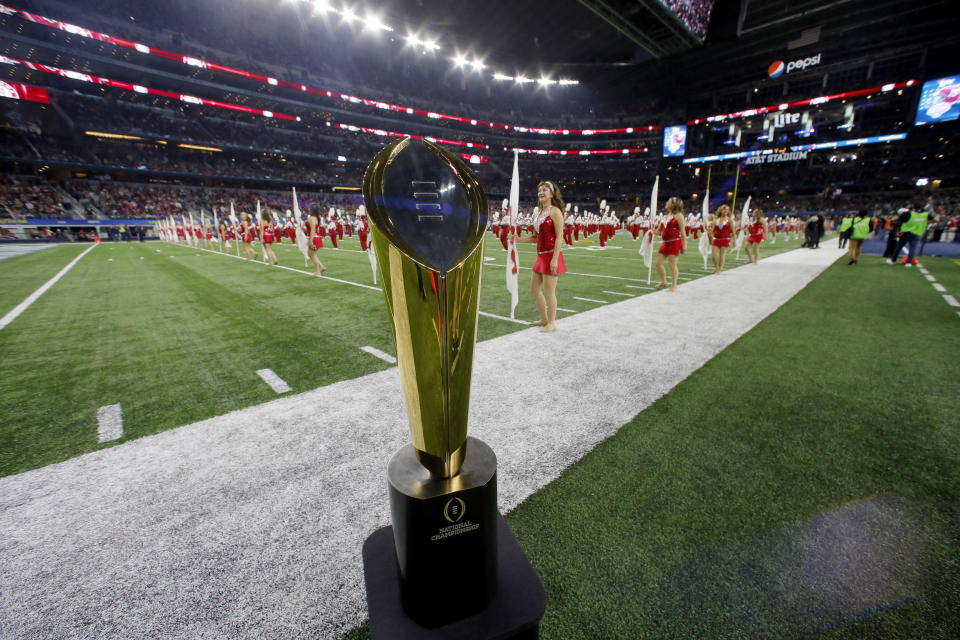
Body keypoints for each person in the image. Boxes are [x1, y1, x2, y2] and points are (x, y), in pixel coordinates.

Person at [517, 181, 566, 333]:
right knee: (534, 289)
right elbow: (535, 238)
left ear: (551, 193)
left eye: (544, 190)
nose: (541, 192)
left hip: (552, 256)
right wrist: (518, 240)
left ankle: (551, 323)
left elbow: (559, 237)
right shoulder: (538, 213)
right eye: (539, 190)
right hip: (540, 257)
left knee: (549, 291)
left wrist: (554, 259)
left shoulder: (555, 211)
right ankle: (544, 318)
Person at [654, 197, 687, 291]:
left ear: (673, 204)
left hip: (675, 242)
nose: (667, 202)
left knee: (672, 265)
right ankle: (663, 281)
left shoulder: (679, 216)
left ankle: (674, 284)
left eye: (669, 201)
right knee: (658, 263)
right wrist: (654, 230)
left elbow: (683, 231)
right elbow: (659, 231)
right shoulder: (665, 216)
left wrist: (684, 245)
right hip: (665, 243)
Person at [888, 198, 931, 266]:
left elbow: (897, 218)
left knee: (898, 247)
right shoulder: (925, 214)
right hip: (917, 233)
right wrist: (926, 222)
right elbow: (935, 220)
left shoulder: (908, 213)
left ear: (913, 207)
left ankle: (893, 260)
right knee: (912, 249)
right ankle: (909, 263)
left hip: (905, 233)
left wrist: (893, 219)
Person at [709, 204, 733, 273]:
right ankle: (716, 267)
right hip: (716, 239)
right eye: (724, 209)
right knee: (713, 255)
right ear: (720, 210)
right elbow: (712, 230)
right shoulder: (716, 220)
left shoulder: (729, 220)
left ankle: (719, 269)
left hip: (725, 239)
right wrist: (710, 232)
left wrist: (734, 240)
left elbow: (733, 231)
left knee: (722, 255)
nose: (725, 211)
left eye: (727, 209)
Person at [305, 208, 327, 276]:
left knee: (312, 255)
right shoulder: (316, 218)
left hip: (314, 238)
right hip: (316, 237)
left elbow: (312, 230)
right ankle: (322, 267)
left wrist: (310, 241)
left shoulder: (312, 218)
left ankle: (317, 271)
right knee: (312, 255)